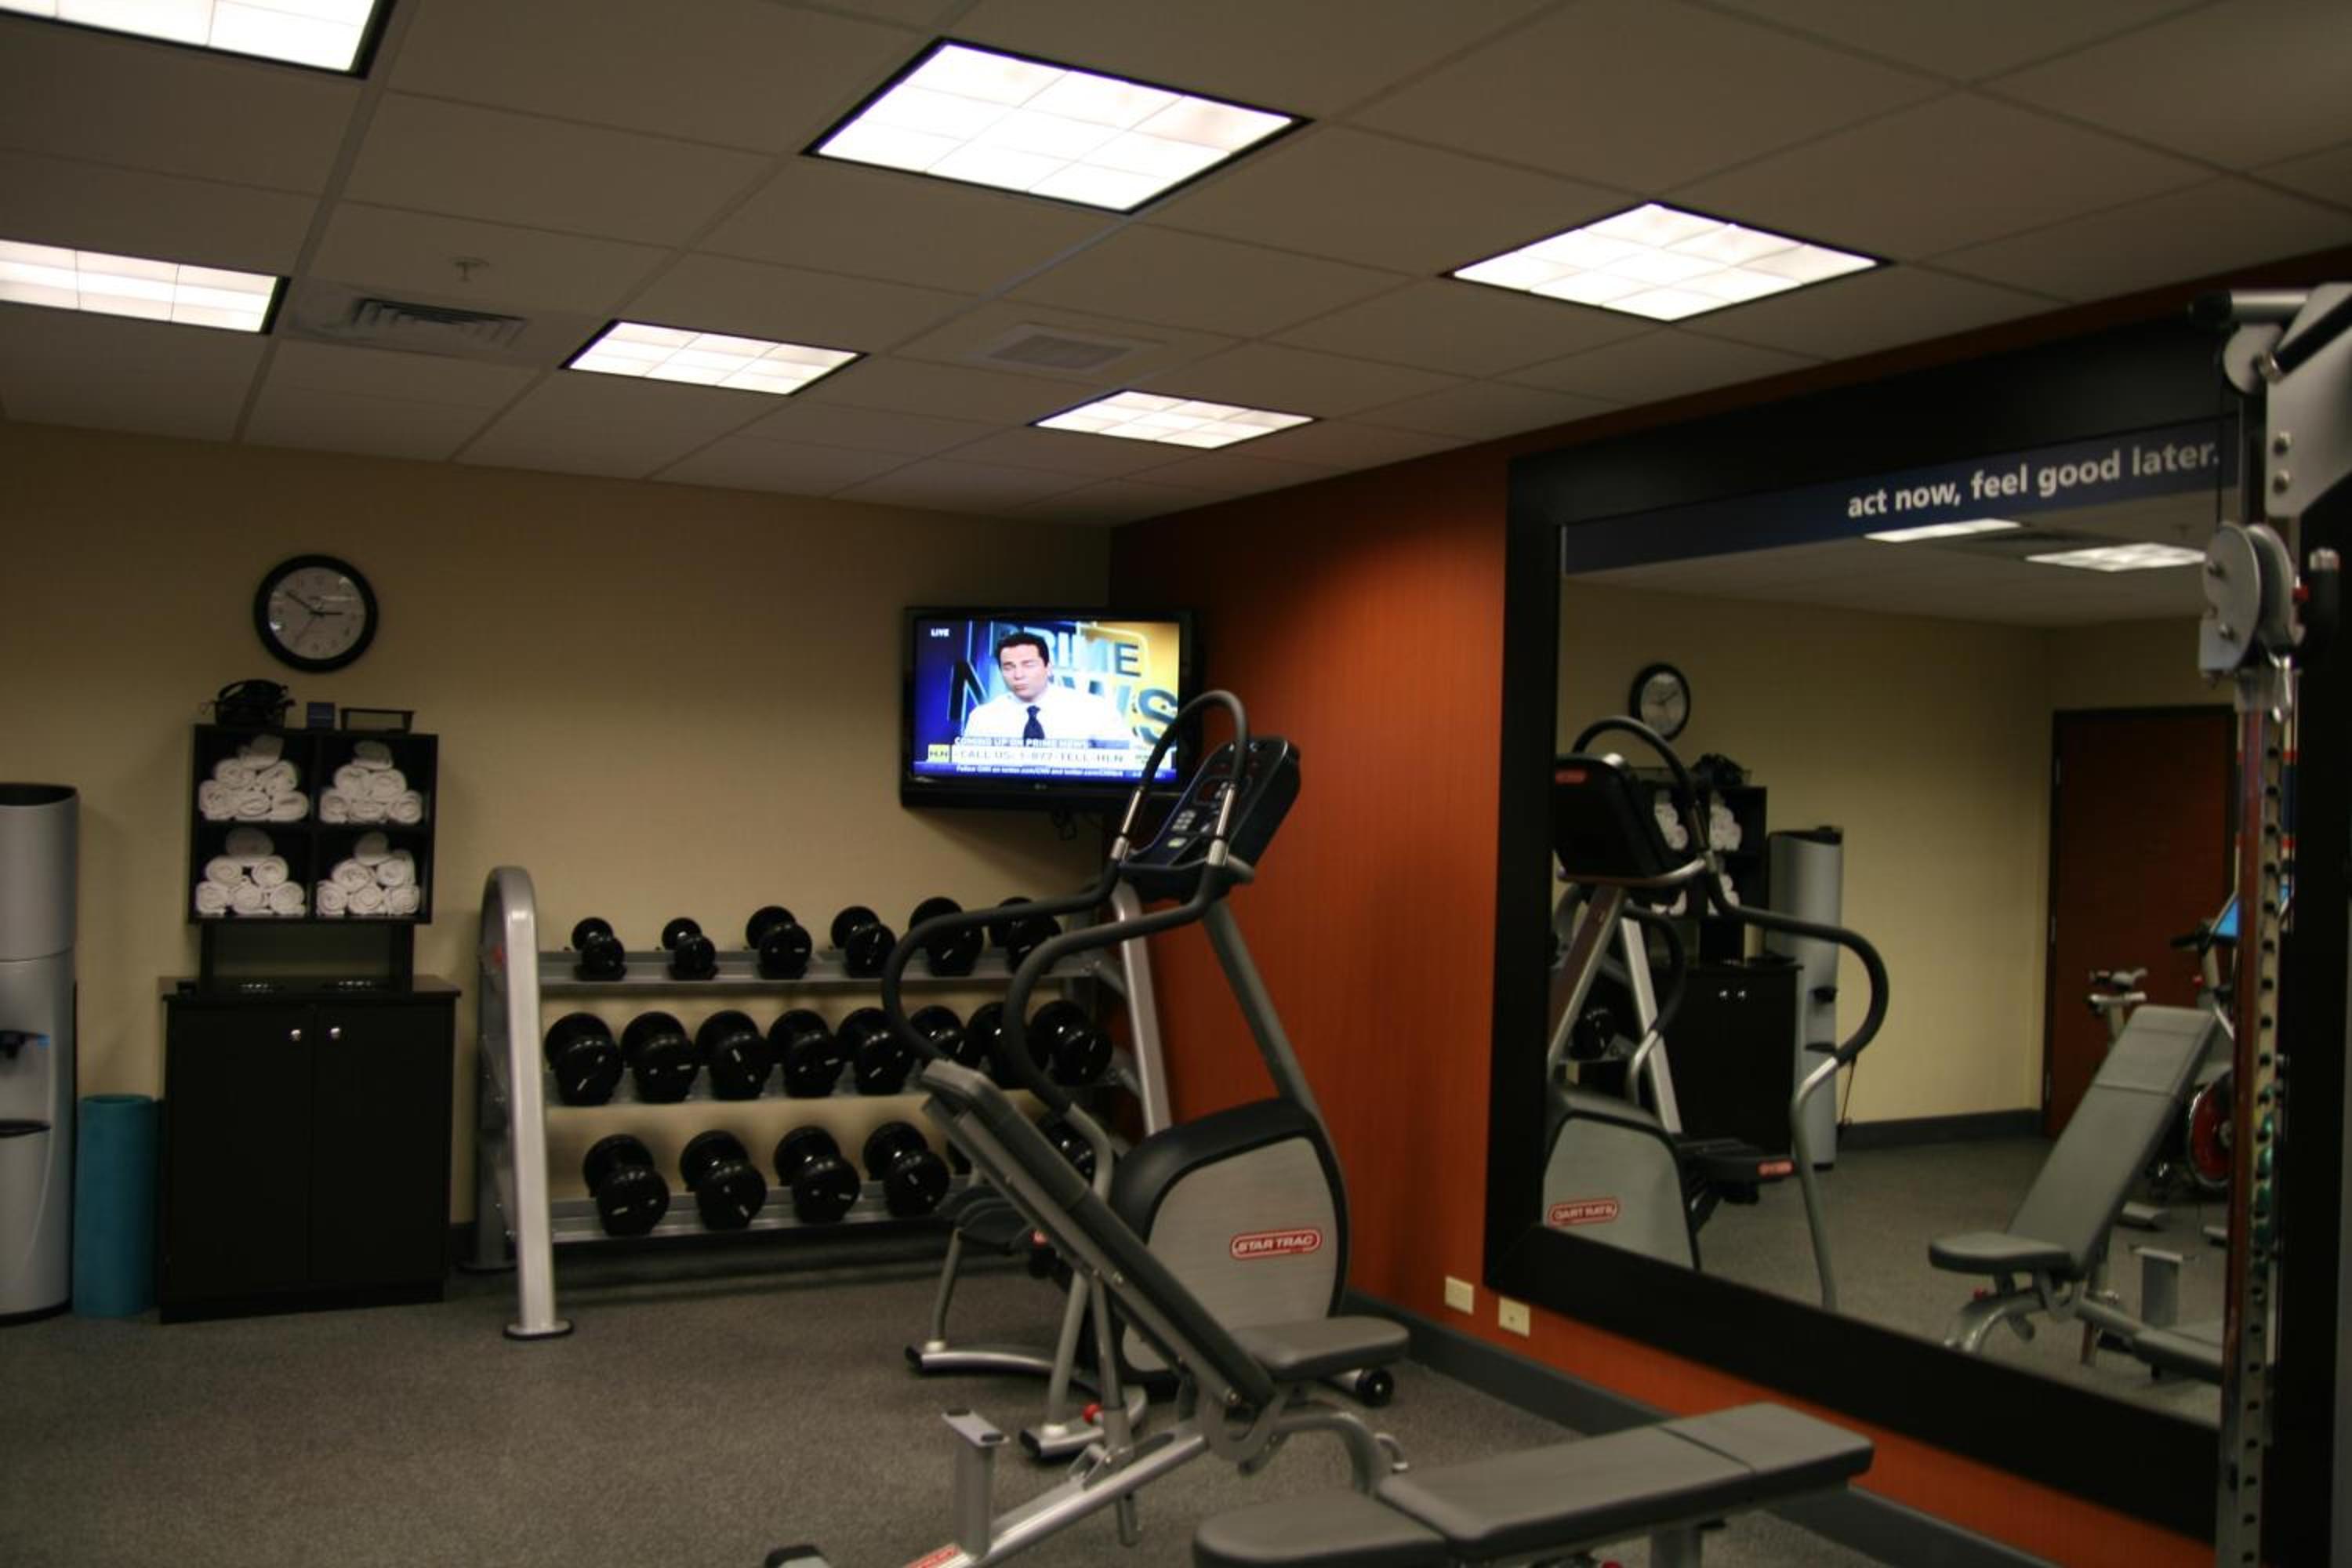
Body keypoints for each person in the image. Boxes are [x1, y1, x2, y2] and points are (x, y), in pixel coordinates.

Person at [960, 632, 1134, 746]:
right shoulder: (983, 718)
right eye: (1009, 667)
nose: (1018, 675)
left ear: (1048, 668)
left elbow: (1128, 763)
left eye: (1028, 665)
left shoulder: (1094, 709)